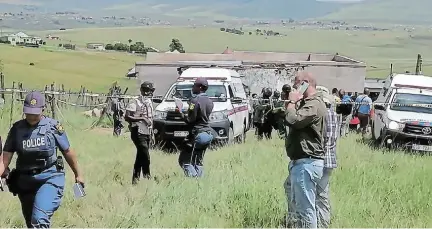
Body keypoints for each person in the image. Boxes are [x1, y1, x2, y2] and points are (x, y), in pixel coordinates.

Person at [0, 91, 84, 228]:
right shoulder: (17, 129)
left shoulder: (53, 127)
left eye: (35, 113)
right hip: (25, 181)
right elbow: (5, 159)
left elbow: (67, 151)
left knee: (39, 220)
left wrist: (78, 174)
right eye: (29, 112)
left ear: (43, 109)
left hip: (49, 178)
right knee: (31, 223)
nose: (32, 116)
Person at [283, 71, 327, 228]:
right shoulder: (308, 103)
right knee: (298, 203)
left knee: (305, 209)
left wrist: (293, 102)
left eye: (297, 83)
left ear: (305, 83)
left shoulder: (314, 105)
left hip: (307, 163)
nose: (294, 87)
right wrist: (290, 102)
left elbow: (293, 119)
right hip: (302, 162)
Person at [178, 78, 215, 178]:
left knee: (184, 161)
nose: (192, 87)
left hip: (198, 134)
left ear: (199, 87)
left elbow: (190, 120)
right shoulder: (210, 102)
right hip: (208, 134)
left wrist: (181, 113)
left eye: (194, 85)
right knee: (198, 161)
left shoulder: (194, 101)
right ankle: (201, 181)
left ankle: (193, 181)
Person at [125, 81, 155, 185]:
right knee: (145, 155)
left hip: (147, 132)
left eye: (150, 91)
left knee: (140, 156)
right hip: (137, 131)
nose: (148, 93)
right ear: (141, 90)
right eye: (146, 90)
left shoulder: (149, 102)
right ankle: (147, 177)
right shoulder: (135, 102)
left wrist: (152, 133)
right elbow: (127, 116)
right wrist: (142, 118)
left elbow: (151, 118)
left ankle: (135, 180)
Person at [317, 92, 339, 228]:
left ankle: (322, 224)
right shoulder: (333, 113)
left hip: (322, 158)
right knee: (322, 193)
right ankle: (323, 222)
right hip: (329, 159)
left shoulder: (326, 114)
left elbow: (326, 140)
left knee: (319, 194)